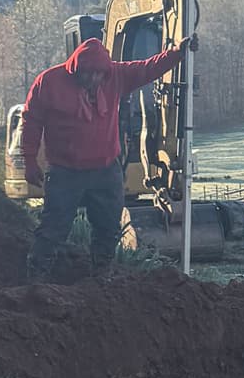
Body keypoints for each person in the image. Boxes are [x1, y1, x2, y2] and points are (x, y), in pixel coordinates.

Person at [19, 29, 194, 277]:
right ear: (75, 69)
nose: (92, 79)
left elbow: (148, 68)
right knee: (54, 227)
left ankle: (101, 275)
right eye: (87, 73)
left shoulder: (116, 76)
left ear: (105, 72)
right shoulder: (48, 82)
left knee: (109, 227)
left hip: (105, 170)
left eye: (98, 74)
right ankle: (36, 276)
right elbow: (32, 121)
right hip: (65, 171)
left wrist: (176, 53)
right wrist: (29, 162)